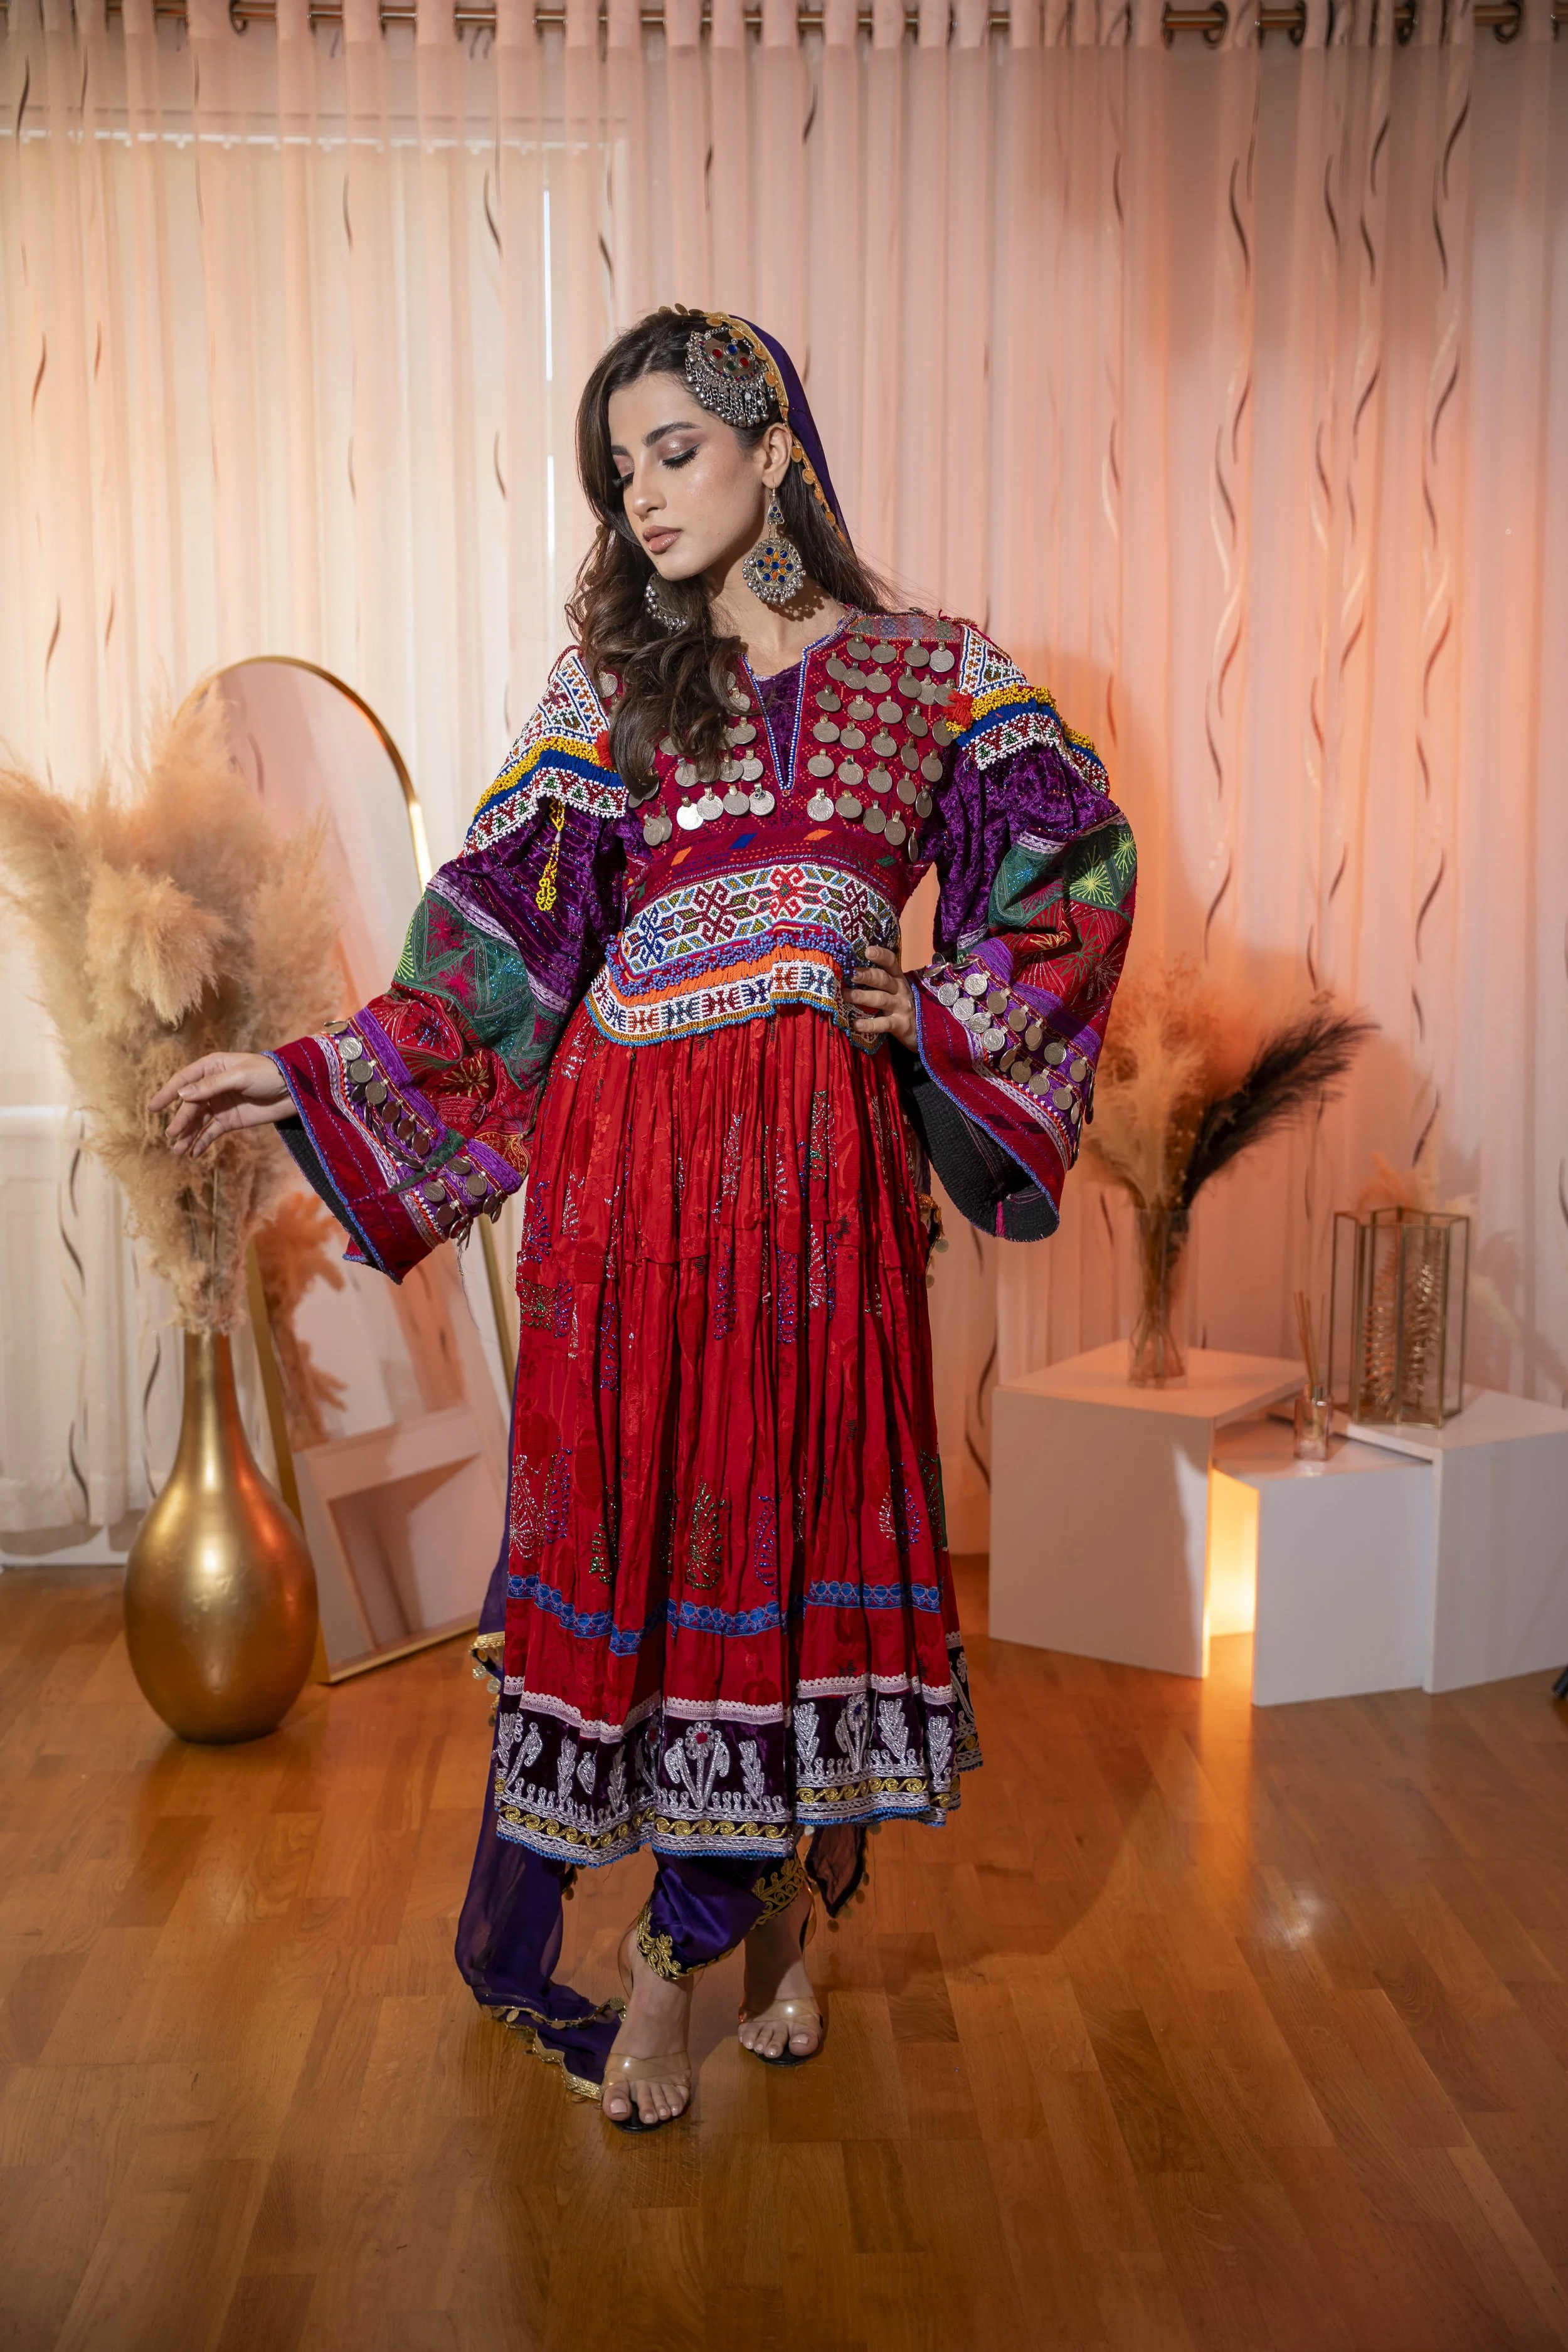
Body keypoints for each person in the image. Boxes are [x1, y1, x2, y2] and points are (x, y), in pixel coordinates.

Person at [152, 307, 1135, 2131]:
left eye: (674, 447)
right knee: (659, 1550)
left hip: (816, 1191)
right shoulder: (616, 684)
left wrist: (924, 1010)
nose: (644, 493)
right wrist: (309, 1071)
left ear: (776, 450)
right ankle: (686, 1944)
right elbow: (505, 942)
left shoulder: (934, 674)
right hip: (623, 1182)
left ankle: (722, 1942)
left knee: (784, 1537)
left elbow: (1072, 861)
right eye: (621, 466)